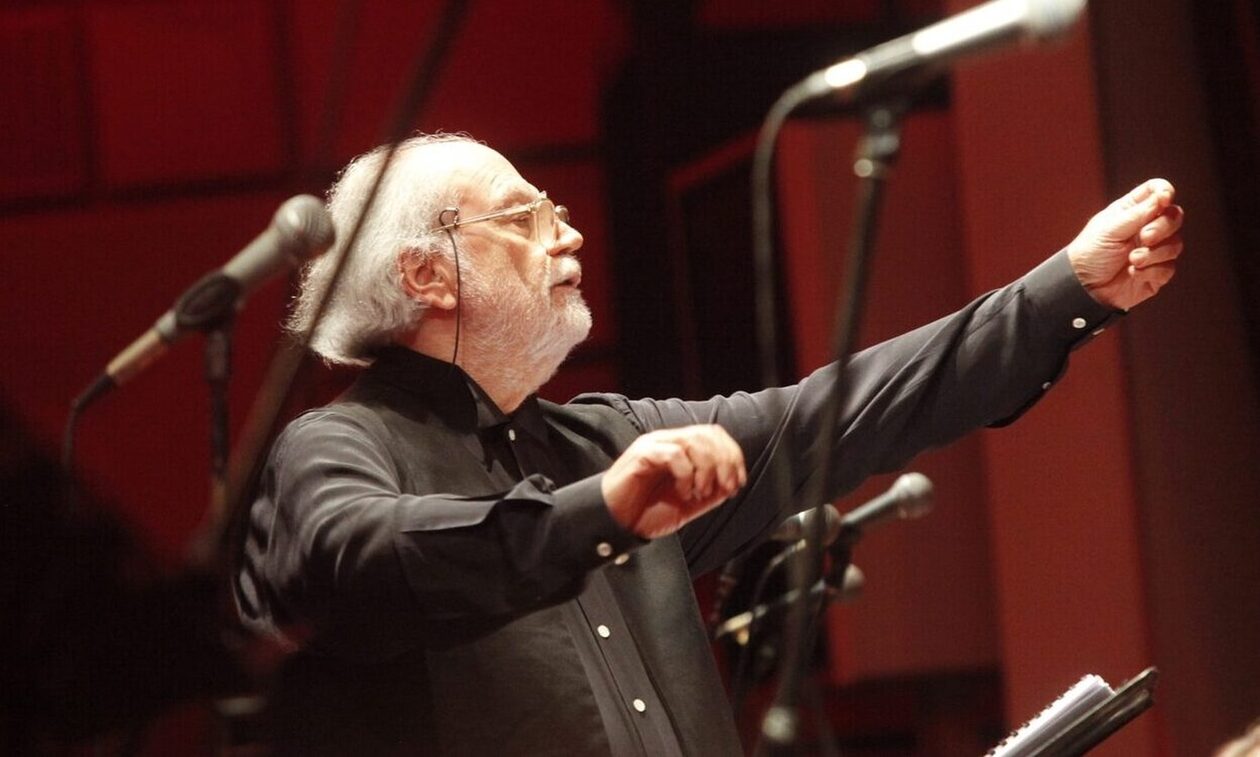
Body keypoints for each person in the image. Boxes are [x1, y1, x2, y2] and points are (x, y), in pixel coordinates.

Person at [234, 133, 1184, 756]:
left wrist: (1068, 289)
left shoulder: (609, 439)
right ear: (426, 274)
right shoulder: (333, 446)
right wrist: (600, 512)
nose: (568, 234)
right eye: (524, 217)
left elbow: (842, 411)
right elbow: (368, 559)